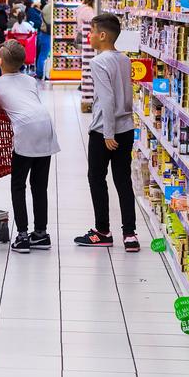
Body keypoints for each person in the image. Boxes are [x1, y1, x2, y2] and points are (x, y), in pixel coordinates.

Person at [0, 40, 60, 253]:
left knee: (18, 185)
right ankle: (41, 234)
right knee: (39, 186)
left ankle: (22, 235)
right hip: (45, 127)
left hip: (25, 131)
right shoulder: (30, 80)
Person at [75, 13, 139, 252]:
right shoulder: (124, 59)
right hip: (127, 128)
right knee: (123, 180)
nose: (89, 36)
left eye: (91, 32)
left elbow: (108, 99)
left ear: (102, 35)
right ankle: (130, 234)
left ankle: (102, 231)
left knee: (96, 178)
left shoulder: (98, 62)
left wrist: (108, 134)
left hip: (105, 131)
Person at [36, 0, 53, 79]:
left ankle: (40, 72)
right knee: (44, 54)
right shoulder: (50, 7)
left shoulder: (45, 7)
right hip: (48, 34)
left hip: (43, 33)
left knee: (42, 54)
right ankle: (43, 73)